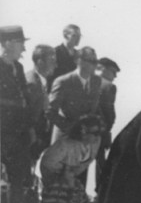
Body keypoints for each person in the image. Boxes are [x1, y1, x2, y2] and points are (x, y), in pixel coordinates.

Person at [0, 25, 45, 203]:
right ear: (8, 43)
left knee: (17, 178)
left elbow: (25, 100)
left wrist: (30, 128)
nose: (23, 49)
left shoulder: (17, 68)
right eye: (20, 43)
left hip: (17, 131)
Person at [47, 45, 102, 188]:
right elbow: (50, 111)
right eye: (91, 61)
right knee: (59, 180)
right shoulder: (63, 81)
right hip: (65, 137)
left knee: (79, 180)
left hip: (84, 141)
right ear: (79, 61)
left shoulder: (96, 81)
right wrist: (71, 128)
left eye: (96, 61)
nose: (95, 65)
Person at [40, 115, 102, 203]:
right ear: (83, 133)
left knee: (77, 192)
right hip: (51, 172)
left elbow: (86, 163)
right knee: (62, 192)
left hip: (70, 173)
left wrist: (71, 174)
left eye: (99, 132)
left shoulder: (95, 142)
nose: (97, 136)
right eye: (94, 132)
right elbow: (47, 163)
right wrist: (63, 174)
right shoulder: (65, 144)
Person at [25, 44, 56, 164]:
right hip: (30, 140)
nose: (55, 65)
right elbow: (27, 115)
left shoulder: (42, 80)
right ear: (40, 62)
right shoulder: (31, 82)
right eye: (52, 60)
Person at [94, 57, 120, 185]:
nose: (115, 76)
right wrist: (107, 131)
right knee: (100, 164)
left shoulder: (87, 81)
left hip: (84, 129)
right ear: (102, 68)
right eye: (113, 71)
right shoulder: (109, 86)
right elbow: (109, 113)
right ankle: (100, 193)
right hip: (100, 130)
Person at [47, 24, 81, 89]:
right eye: (74, 36)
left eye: (79, 36)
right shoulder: (55, 52)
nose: (78, 38)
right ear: (65, 35)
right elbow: (49, 76)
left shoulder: (79, 54)